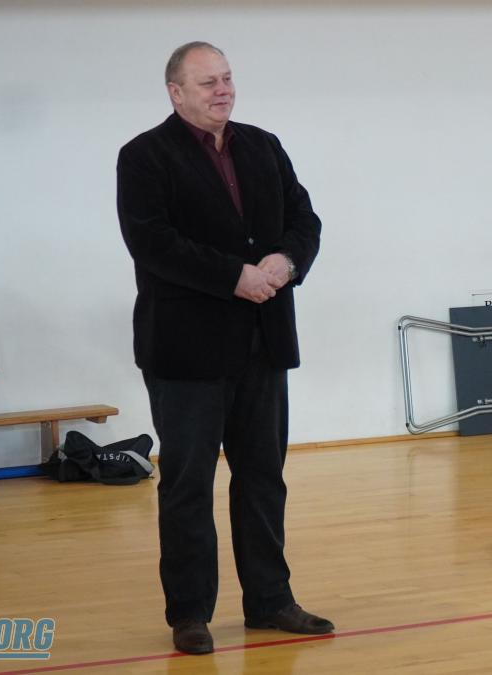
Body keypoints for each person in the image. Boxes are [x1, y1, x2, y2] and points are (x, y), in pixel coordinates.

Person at [117, 41, 329, 655]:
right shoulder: (144, 156)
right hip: (185, 351)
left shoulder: (263, 145)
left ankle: (270, 600)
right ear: (175, 92)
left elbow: (305, 220)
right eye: (208, 82)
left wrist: (286, 261)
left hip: (263, 342)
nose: (223, 90)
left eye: (228, 78)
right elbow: (153, 243)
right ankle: (189, 613)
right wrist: (235, 276)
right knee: (187, 485)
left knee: (263, 478)